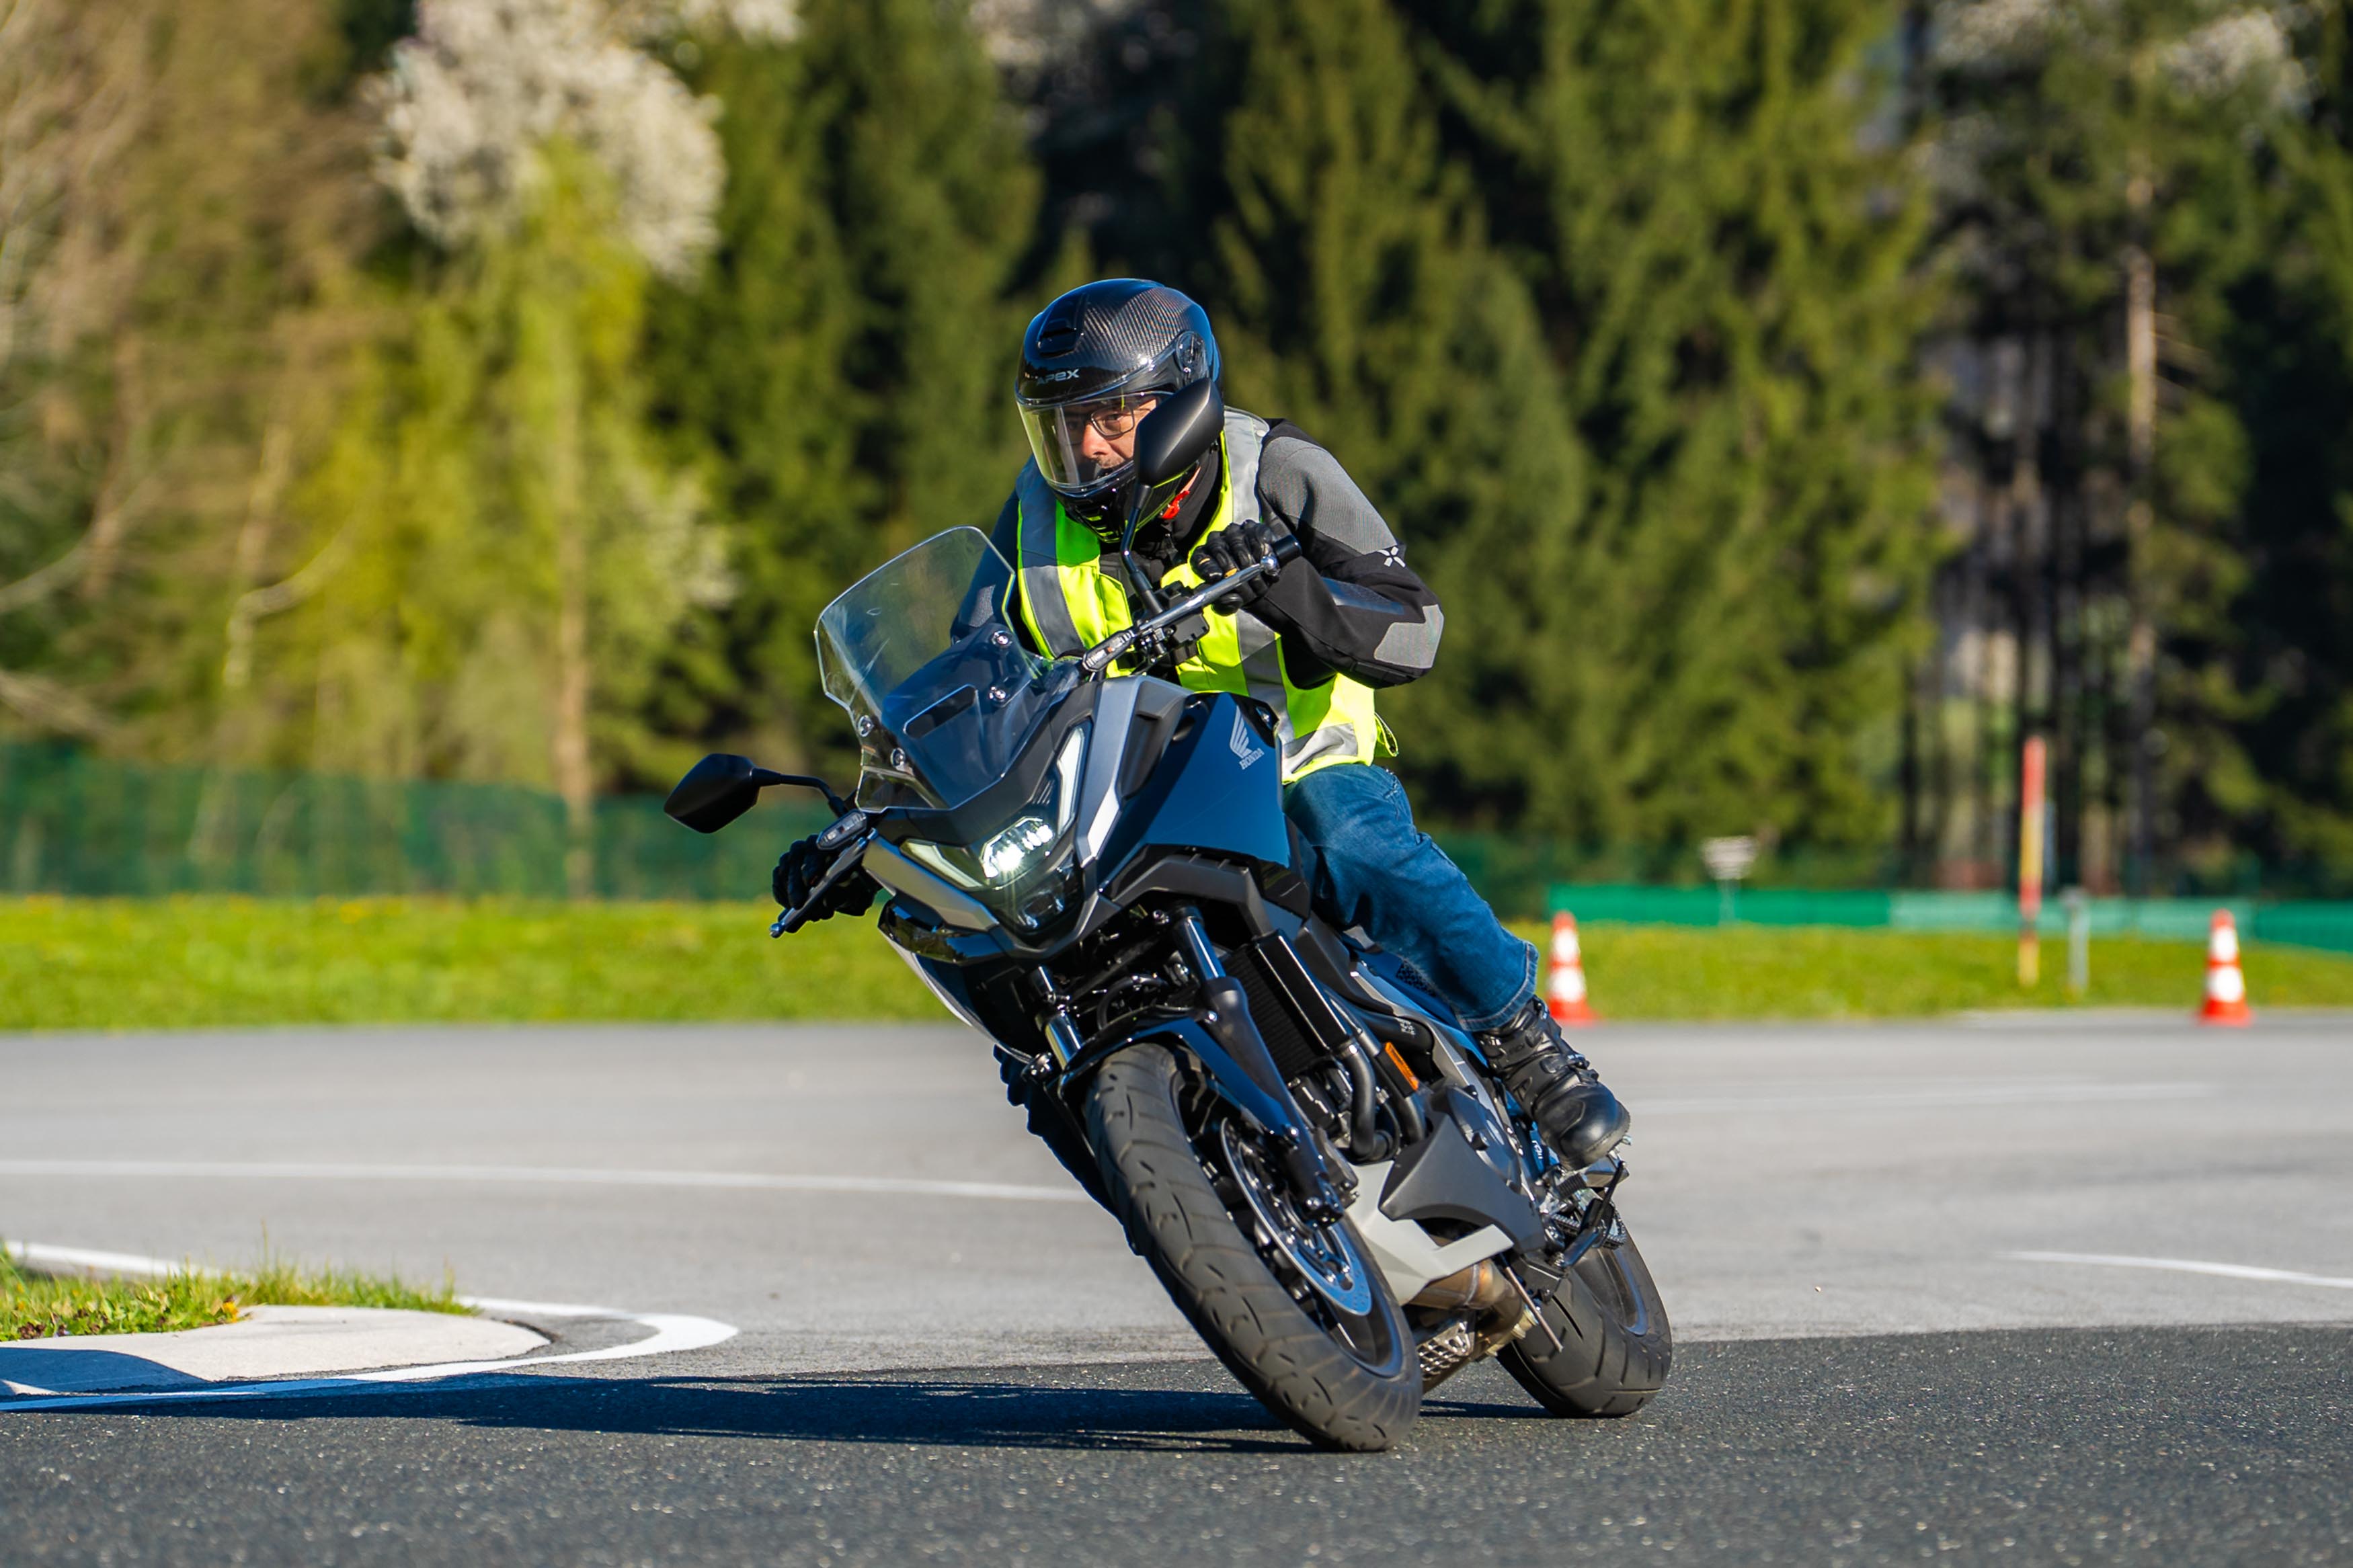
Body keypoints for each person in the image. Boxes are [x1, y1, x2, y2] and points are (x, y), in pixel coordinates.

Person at [776, 278, 1627, 1169]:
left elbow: (1416, 628)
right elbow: (971, 676)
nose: (1085, 446)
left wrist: (1291, 588)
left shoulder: (1274, 466)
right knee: (1029, 1007)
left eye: (1110, 417)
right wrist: (872, 815)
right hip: (1135, 785)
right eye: (1063, 424)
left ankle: (1529, 1047)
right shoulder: (1033, 517)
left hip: (1296, 758)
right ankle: (1167, 1187)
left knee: (1353, 839)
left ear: (1180, 403)